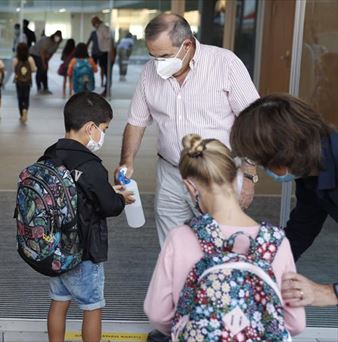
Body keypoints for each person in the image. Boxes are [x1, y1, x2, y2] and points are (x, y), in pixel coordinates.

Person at [116, 13, 259, 245]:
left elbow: (253, 120)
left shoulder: (225, 64)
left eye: (164, 56)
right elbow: (136, 122)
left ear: (187, 44)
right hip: (171, 174)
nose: (158, 64)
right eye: (153, 57)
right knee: (172, 250)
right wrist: (127, 161)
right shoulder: (149, 73)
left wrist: (250, 174)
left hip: (218, 176)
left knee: (221, 246)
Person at [144, 134, 305, 339]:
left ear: (191, 187)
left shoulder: (180, 238)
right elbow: (296, 323)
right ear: (237, 177)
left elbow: (158, 313)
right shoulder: (276, 242)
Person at [44, 92, 131, 342]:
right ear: (90, 128)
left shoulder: (50, 155)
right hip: (85, 252)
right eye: (104, 128)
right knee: (92, 307)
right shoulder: (91, 165)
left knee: (58, 303)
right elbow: (109, 206)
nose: (103, 134)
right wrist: (122, 197)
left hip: (55, 248)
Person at [230, 94, 337, 261]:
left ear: (283, 153)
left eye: (262, 162)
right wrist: (254, 265)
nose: (264, 169)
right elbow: (300, 233)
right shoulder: (310, 176)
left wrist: (328, 289)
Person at [29, 30, 63, 95]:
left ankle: (45, 88)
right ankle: (39, 88)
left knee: (45, 70)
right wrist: (44, 63)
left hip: (43, 55)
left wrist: (46, 62)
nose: (57, 38)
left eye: (59, 37)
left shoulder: (56, 44)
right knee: (41, 69)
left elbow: (51, 53)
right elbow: (42, 52)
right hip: (35, 53)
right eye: (56, 36)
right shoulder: (47, 41)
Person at [13, 42, 37, 123]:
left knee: (20, 98)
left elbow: (14, 70)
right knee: (26, 97)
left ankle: (21, 115)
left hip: (18, 81)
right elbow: (34, 69)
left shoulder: (16, 59)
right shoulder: (30, 59)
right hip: (27, 81)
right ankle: (25, 110)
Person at [90, 16, 113, 97]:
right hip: (102, 52)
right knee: (104, 70)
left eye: (93, 23)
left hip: (106, 52)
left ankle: (107, 90)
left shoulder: (103, 28)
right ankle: (106, 90)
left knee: (107, 72)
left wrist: (111, 52)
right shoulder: (98, 29)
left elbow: (109, 37)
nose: (93, 25)